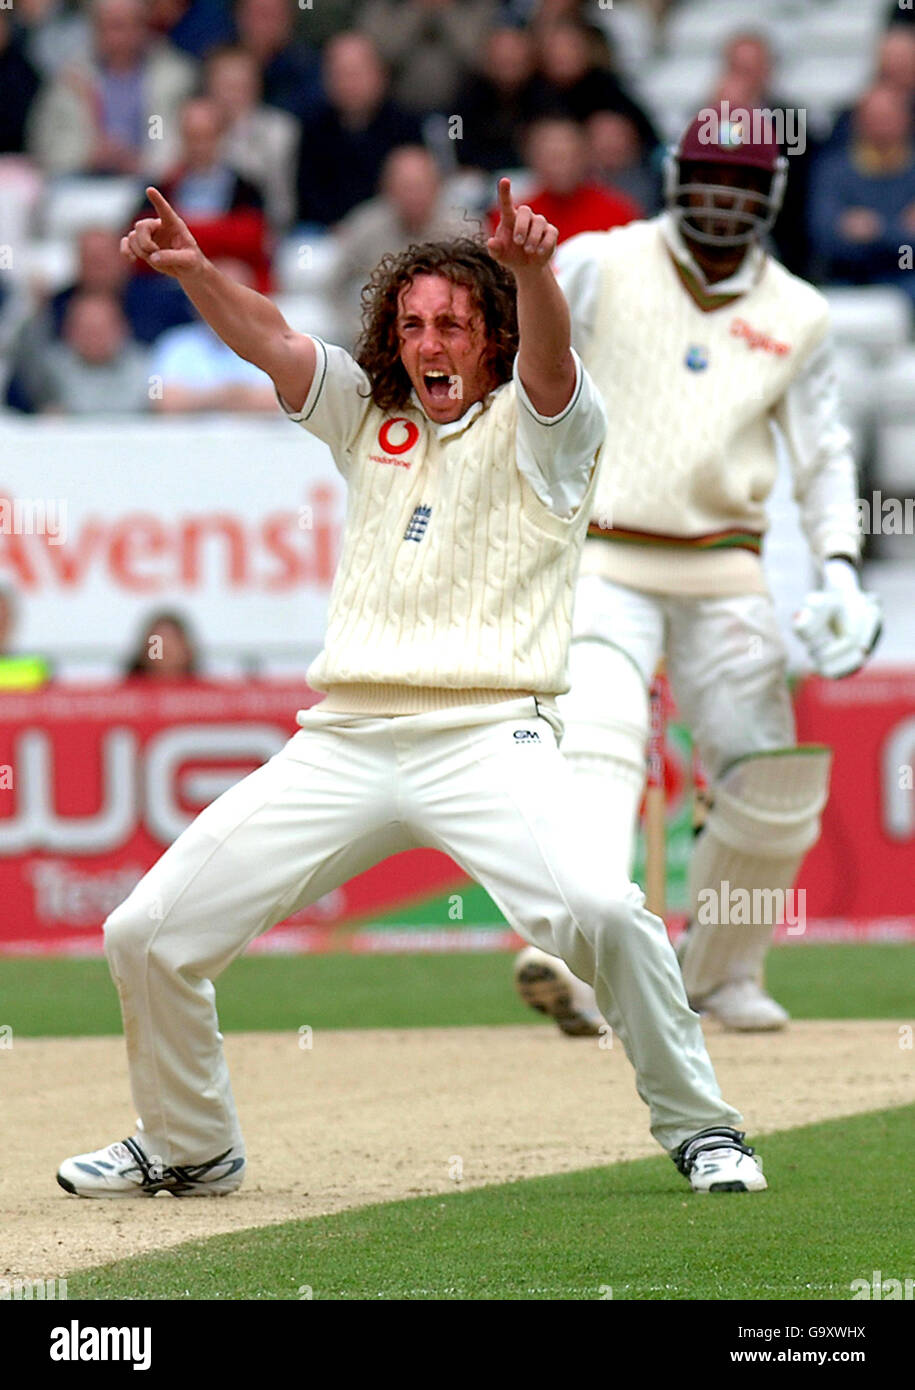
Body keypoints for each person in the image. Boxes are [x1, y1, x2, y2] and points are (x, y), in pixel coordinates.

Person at [56, 178, 767, 1199]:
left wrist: (529, 270)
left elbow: (554, 363)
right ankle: (189, 1145)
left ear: (492, 338)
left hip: (489, 735)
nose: (430, 342)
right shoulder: (368, 416)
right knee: (146, 935)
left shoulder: (549, 431)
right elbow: (271, 341)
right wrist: (197, 273)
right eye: (413, 323)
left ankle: (703, 1129)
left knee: (606, 914)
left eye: (454, 325)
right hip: (343, 740)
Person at [514, 104, 881, 1035]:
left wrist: (838, 570)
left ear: (769, 196)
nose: (721, 199)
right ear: (676, 177)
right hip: (602, 549)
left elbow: (824, 453)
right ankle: (584, 960)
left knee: (769, 785)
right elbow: (535, 368)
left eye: (741, 185)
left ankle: (717, 974)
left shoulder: (798, 312)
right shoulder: (603, 259)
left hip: (724, 563)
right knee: (594, 743)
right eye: (708, 178)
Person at [26, 0, 196, 176]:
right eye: (104, 26)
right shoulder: (69, 78)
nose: (113, 37)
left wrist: (142, 162)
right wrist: (88, 156)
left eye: (120, 26)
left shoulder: (173, 77)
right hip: (78, 182)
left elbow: (172, 138)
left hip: (151, 183)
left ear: (142, 27)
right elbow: (44, 144)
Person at [330, 145, 471, 349]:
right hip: (378, 337)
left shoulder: (463, 230)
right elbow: (336, 285)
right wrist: (356, 327)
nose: (413, 196)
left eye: (420, 186)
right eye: (405, 187)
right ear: (387, 189)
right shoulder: (365, 227)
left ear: (437, 187)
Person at [807, 85, 915, 305]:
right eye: (874, 117)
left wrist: (871, 229)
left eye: (888, 117)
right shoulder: (832, 170)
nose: (881, 125)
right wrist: (898, 229)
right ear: (857, 121)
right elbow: (824, 236)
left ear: (906, 119)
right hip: (846, 280)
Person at [487, 115, 641, 244]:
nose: (561, 167)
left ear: (585, 155)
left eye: (569, 156)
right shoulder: (512, 217)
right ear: (532, 158)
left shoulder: (620, 211)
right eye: (553, 157)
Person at [124, 610, 199, 678]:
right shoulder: (120, 691)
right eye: (156, 643)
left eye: (171, 641)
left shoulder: (207, 691)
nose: (165, 648)